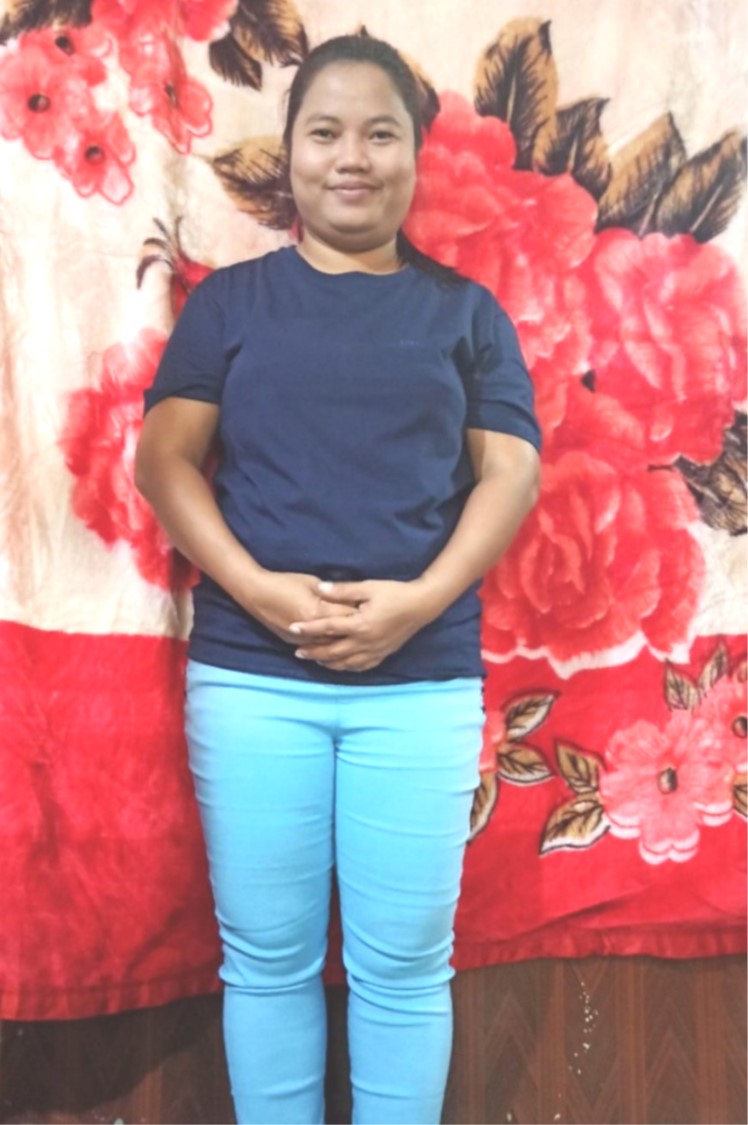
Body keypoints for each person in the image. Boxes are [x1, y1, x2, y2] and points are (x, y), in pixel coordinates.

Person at [135, 32, 541, 1125]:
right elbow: (164, 460)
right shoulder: (229, 306)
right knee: (265, 958)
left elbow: (509, 473)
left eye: (379, 134)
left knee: (403, 964)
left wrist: (418, 604)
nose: (351, 158)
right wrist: (257, 589)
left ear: (415, 154)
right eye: (325, 132)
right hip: (251, 679)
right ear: (290, 153)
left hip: (419, 684)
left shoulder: (466, 315)